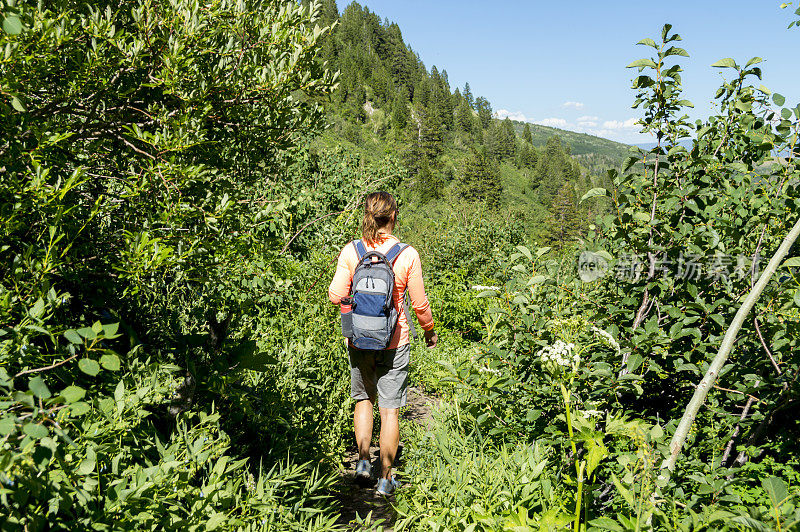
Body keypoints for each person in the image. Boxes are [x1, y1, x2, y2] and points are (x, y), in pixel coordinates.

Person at [328, 191, 437, 496]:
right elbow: (420, 304)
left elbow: (335, 295)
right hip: (395, 341)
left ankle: (363, 464)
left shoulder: (352, 251)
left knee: (364, 400)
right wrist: (428, 330)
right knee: (390, 411)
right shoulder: (407, 254)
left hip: (359, 340)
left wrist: (358, 310)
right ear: (393, 216)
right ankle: (386, 480)